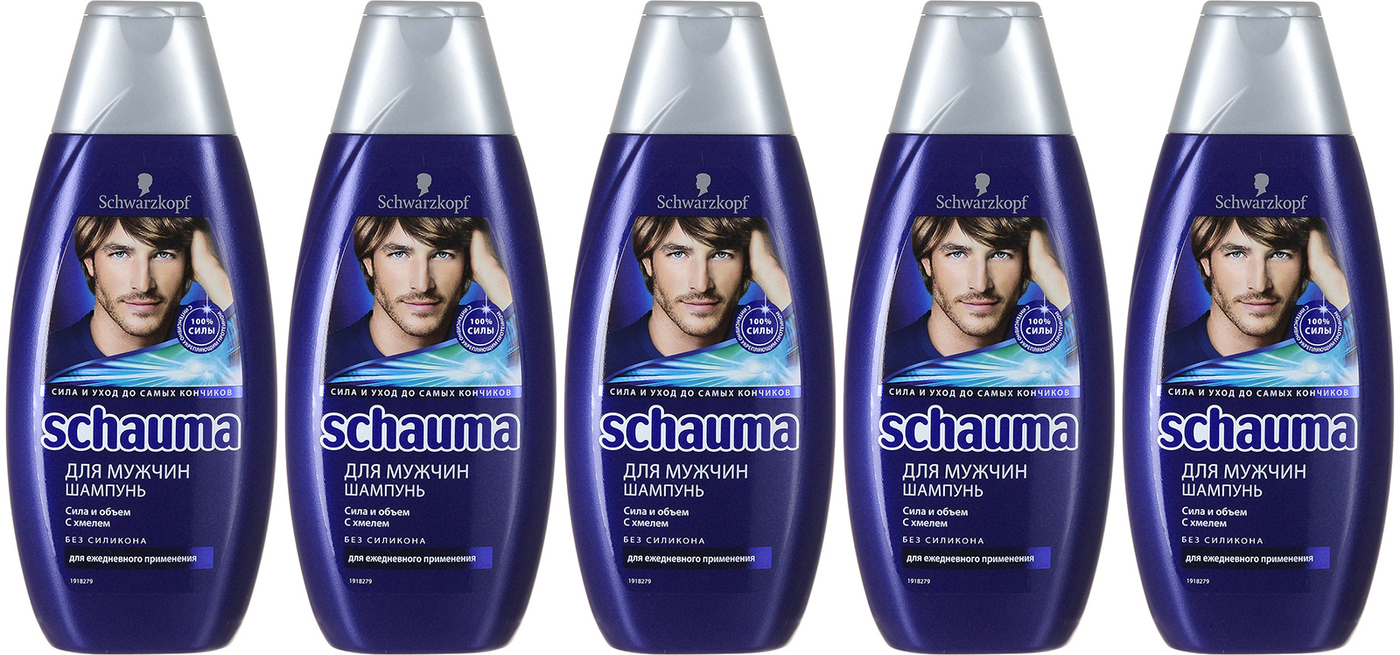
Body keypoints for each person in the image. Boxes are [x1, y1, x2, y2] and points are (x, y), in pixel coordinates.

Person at [604, 215, 790, 378]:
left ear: (747, 264)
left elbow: (806, 376)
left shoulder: (772, 340)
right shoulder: (606, 360)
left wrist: (770, 271)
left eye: (721, 254)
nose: (702, 286)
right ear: (648, 264)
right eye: (678, 254)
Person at [1162, 215, 1348, 377]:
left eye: (1279, 254)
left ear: (1305, 264)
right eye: (1236, 254)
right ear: (1206, 264)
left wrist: (1328, 270)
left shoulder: (1331, 340)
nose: (1260, 286)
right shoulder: (1164, 359)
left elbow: (1364, 374)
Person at [47, 216, 232, 378]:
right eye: (120, 254)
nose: (143, 285)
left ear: (188, 264)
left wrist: (212, 271)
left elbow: (248, 377)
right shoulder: (47, 360)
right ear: (90, 264)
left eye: (163, 254)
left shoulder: (213, 338)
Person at [884, 215, 1069, 376]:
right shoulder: (885, 360)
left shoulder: (1051, 340)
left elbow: (1085, 373)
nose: (981, 286)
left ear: (1026, 264)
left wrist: (1049, 270)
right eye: (957, 254)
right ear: (927, 264)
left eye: (1000, 254)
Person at [325, 215, 511, 376]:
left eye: (442, 254)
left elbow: (527, 375)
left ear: (468, 264)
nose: (422, 286)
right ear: (369, 264)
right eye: (399, 254)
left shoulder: (493, 340)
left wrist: (491, 270)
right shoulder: (327, 360)